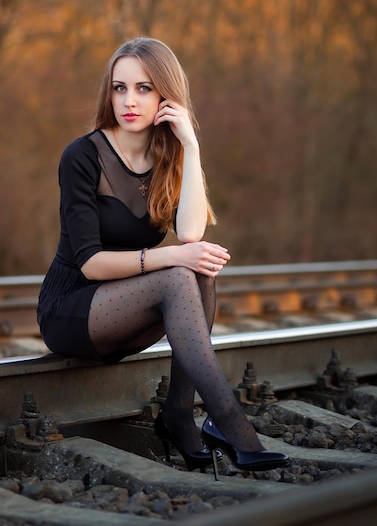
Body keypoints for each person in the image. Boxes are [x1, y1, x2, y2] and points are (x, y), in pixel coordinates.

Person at [37, 37, 288, 476]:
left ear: (166, 96)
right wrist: (171, 258)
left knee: (199, 267)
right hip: (73, 309)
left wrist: (190, 147)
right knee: (180, 269)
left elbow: (191, 233)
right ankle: (231, 424)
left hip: (126, 308)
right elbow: (91, 264)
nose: (129, 101)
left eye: (144, 89)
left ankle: (178, 415)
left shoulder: (168, 157)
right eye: (119, 88)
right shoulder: (82, 156)